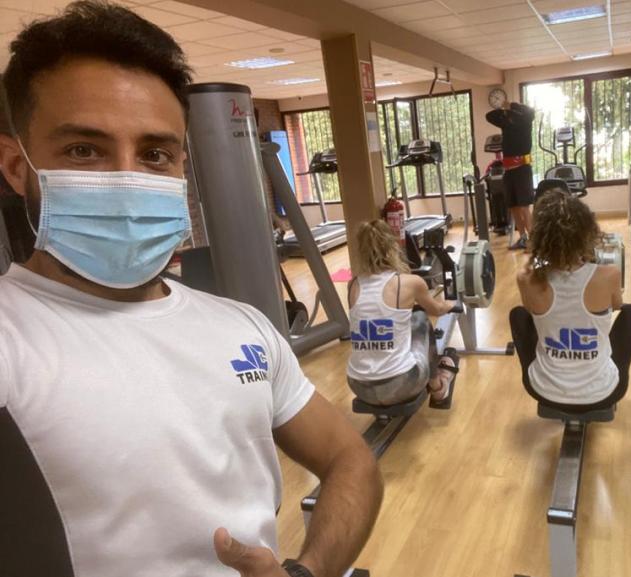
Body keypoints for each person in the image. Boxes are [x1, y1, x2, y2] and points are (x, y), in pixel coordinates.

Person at [0, 3, 381, 577]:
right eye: (84, 150)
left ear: (182, 166)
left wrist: (309, 571)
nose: (127, 179)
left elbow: (351, 459)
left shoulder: (242, 326)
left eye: (154, 154)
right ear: (15, 166)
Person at [509, 188, 631, 409]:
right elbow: (617, 306)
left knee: (519, 315)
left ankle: (552, 373)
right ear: (587, 234)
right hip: (604, 393)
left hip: (542, 391)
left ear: (539, 237)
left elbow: (531, 313)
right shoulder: (609, 275)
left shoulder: (526, 279)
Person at [347, 220, 459, 407]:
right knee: (420, 318)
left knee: (404, 322)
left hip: (358, 385)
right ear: (392, 246)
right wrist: (450, 303)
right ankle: (438, 387)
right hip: (401, 384)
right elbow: (437, 310)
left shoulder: (353, 285)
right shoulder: (410, 282)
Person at [485, 100, 535, 250]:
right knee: (513, 206)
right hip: (509, 171)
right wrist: (503, 109)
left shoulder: (525, 123)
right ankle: (523, 238)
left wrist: (512, 105)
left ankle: (533, 242)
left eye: (510, 114)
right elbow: (489, 116)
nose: (507, 116)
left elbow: (530, 112)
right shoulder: (506, 124)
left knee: (524, 206)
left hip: (522, 170)